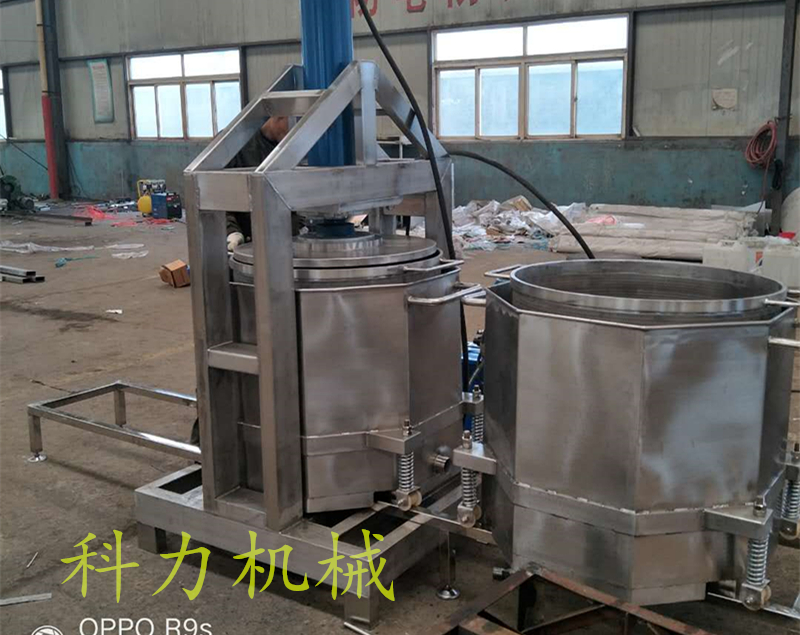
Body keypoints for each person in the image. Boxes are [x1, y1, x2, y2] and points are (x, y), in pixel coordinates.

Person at [225, 116, 290, 251]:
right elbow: (216, 192)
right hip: (242, 238)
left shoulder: (286, 148)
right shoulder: (233, 142)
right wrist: (231, 231)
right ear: (279, 116)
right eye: (293, 123)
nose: (293, 132)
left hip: (277, 239)